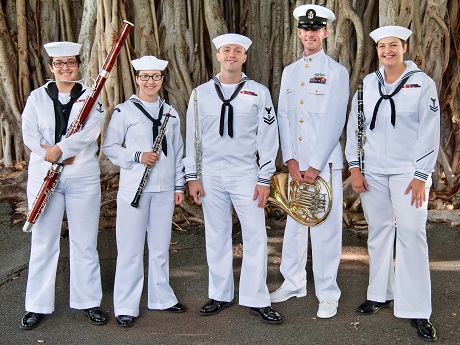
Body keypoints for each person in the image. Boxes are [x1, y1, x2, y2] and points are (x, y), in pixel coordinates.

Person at [345, 26, 439, 342]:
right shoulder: (367, 84)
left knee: (412, 233)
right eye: (383, 46)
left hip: (407, 173)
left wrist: (421, 175)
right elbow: (355, 126)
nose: (388, 51)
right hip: (372, 172)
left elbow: (430, 132)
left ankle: (417, 309)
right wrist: (355, 167)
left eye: (394, 45)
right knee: (380, 231)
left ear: (404, 47)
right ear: (377, 51)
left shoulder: (422, 84)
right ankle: (379, 292)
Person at [183, 33, 282, 324]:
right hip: (211, 174)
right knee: (216, 235)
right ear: (218, 55)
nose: (231, 55)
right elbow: (193, 136)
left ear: (244, 57)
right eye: (226, 50)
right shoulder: (200, 93)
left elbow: (268, 138)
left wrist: (265, 178)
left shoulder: (258, 92)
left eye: (237, 51)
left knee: (256, 235)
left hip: (245, 174)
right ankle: (220, 294)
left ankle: (256, 297)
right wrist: (193, 176)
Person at [20, 42, 107, 329]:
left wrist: (61, 149)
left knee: (85, 242)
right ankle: (36, 305)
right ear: (51, 67)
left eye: (70, 63)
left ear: (78, 66)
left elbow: (90, 133)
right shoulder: (36, 97)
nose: (65, 68)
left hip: (81, 177)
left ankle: (89, 301)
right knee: (44, 242)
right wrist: (49, 153)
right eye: (59, 64)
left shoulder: (92, 98)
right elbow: (29, 133)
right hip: (45, 174)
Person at [270, 4, 349, 319]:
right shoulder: (290, 71)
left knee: (326, 229)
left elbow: (333, 121)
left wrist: (314, 164)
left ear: (325, 33)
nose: (310, 34)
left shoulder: (336, 72)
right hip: (295, 164)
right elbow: (284, 117)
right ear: (299, 32)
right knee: (295, 224)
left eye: (315, 30)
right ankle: (293, 282)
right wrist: (289, 158)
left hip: (324, 166)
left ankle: (328, 293)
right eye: (305, 29)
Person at [102, 56, 186, 327]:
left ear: (162, 79)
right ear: (138, 79)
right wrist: (138, 156)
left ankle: (161, 297)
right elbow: (110, 148)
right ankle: (126, 305)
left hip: (164, 190)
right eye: (145, 77)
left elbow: (178, 152)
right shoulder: (124, 111)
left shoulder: (171, 113)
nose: (151, 81)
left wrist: (178, 185)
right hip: (134, 190)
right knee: (130, 249)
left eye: (156, 77)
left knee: (160, 247)